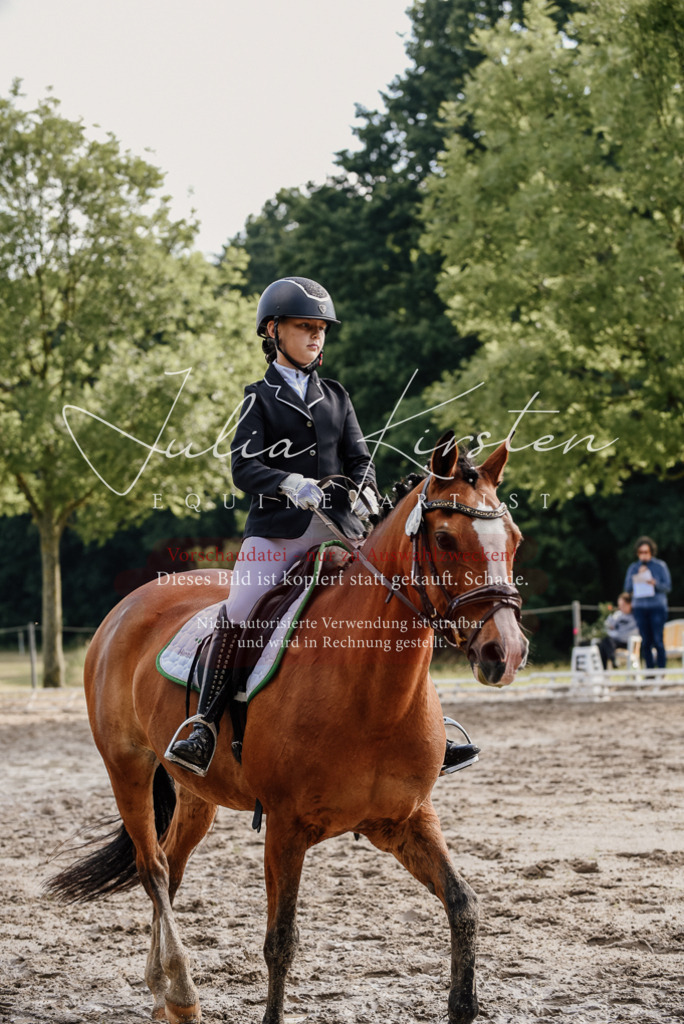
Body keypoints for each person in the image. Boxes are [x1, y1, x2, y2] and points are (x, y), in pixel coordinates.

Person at [166, 276, 480, 776]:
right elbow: (243, 468)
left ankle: (429, 729)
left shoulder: (336, 395)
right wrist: (289, 482)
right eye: (304, 327)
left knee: (399, 601)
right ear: (273, 331)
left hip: (341, 528)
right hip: (278, 532)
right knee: (241, 609)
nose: (316, 336)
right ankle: (204, 726)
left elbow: (360, 457)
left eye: (321, 329)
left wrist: (366, 489)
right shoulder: (257, 398)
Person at [623, 536, 672, 670]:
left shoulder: (660, 566)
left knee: (658, 640)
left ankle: (661, 671)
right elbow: (627, 588)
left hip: (657, 607)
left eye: (646, 552)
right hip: (640, 608)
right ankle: (649, 672)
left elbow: (667, 587)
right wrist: (637, 576)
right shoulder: (634, 567)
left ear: (651, 552)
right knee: (645, 642)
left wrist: (655, 582)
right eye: (641, 552)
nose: (643, 555)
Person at [598, 592, 638, 669]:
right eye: (619, 605)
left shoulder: (636, 616)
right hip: (617, 641)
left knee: (605, 643)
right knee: (604, 643)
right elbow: (608, 625)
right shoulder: (618, 615)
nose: (620, 608)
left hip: (629, 642)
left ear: (630, 604)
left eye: (623, 605)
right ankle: (610, 664)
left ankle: (610, 663)